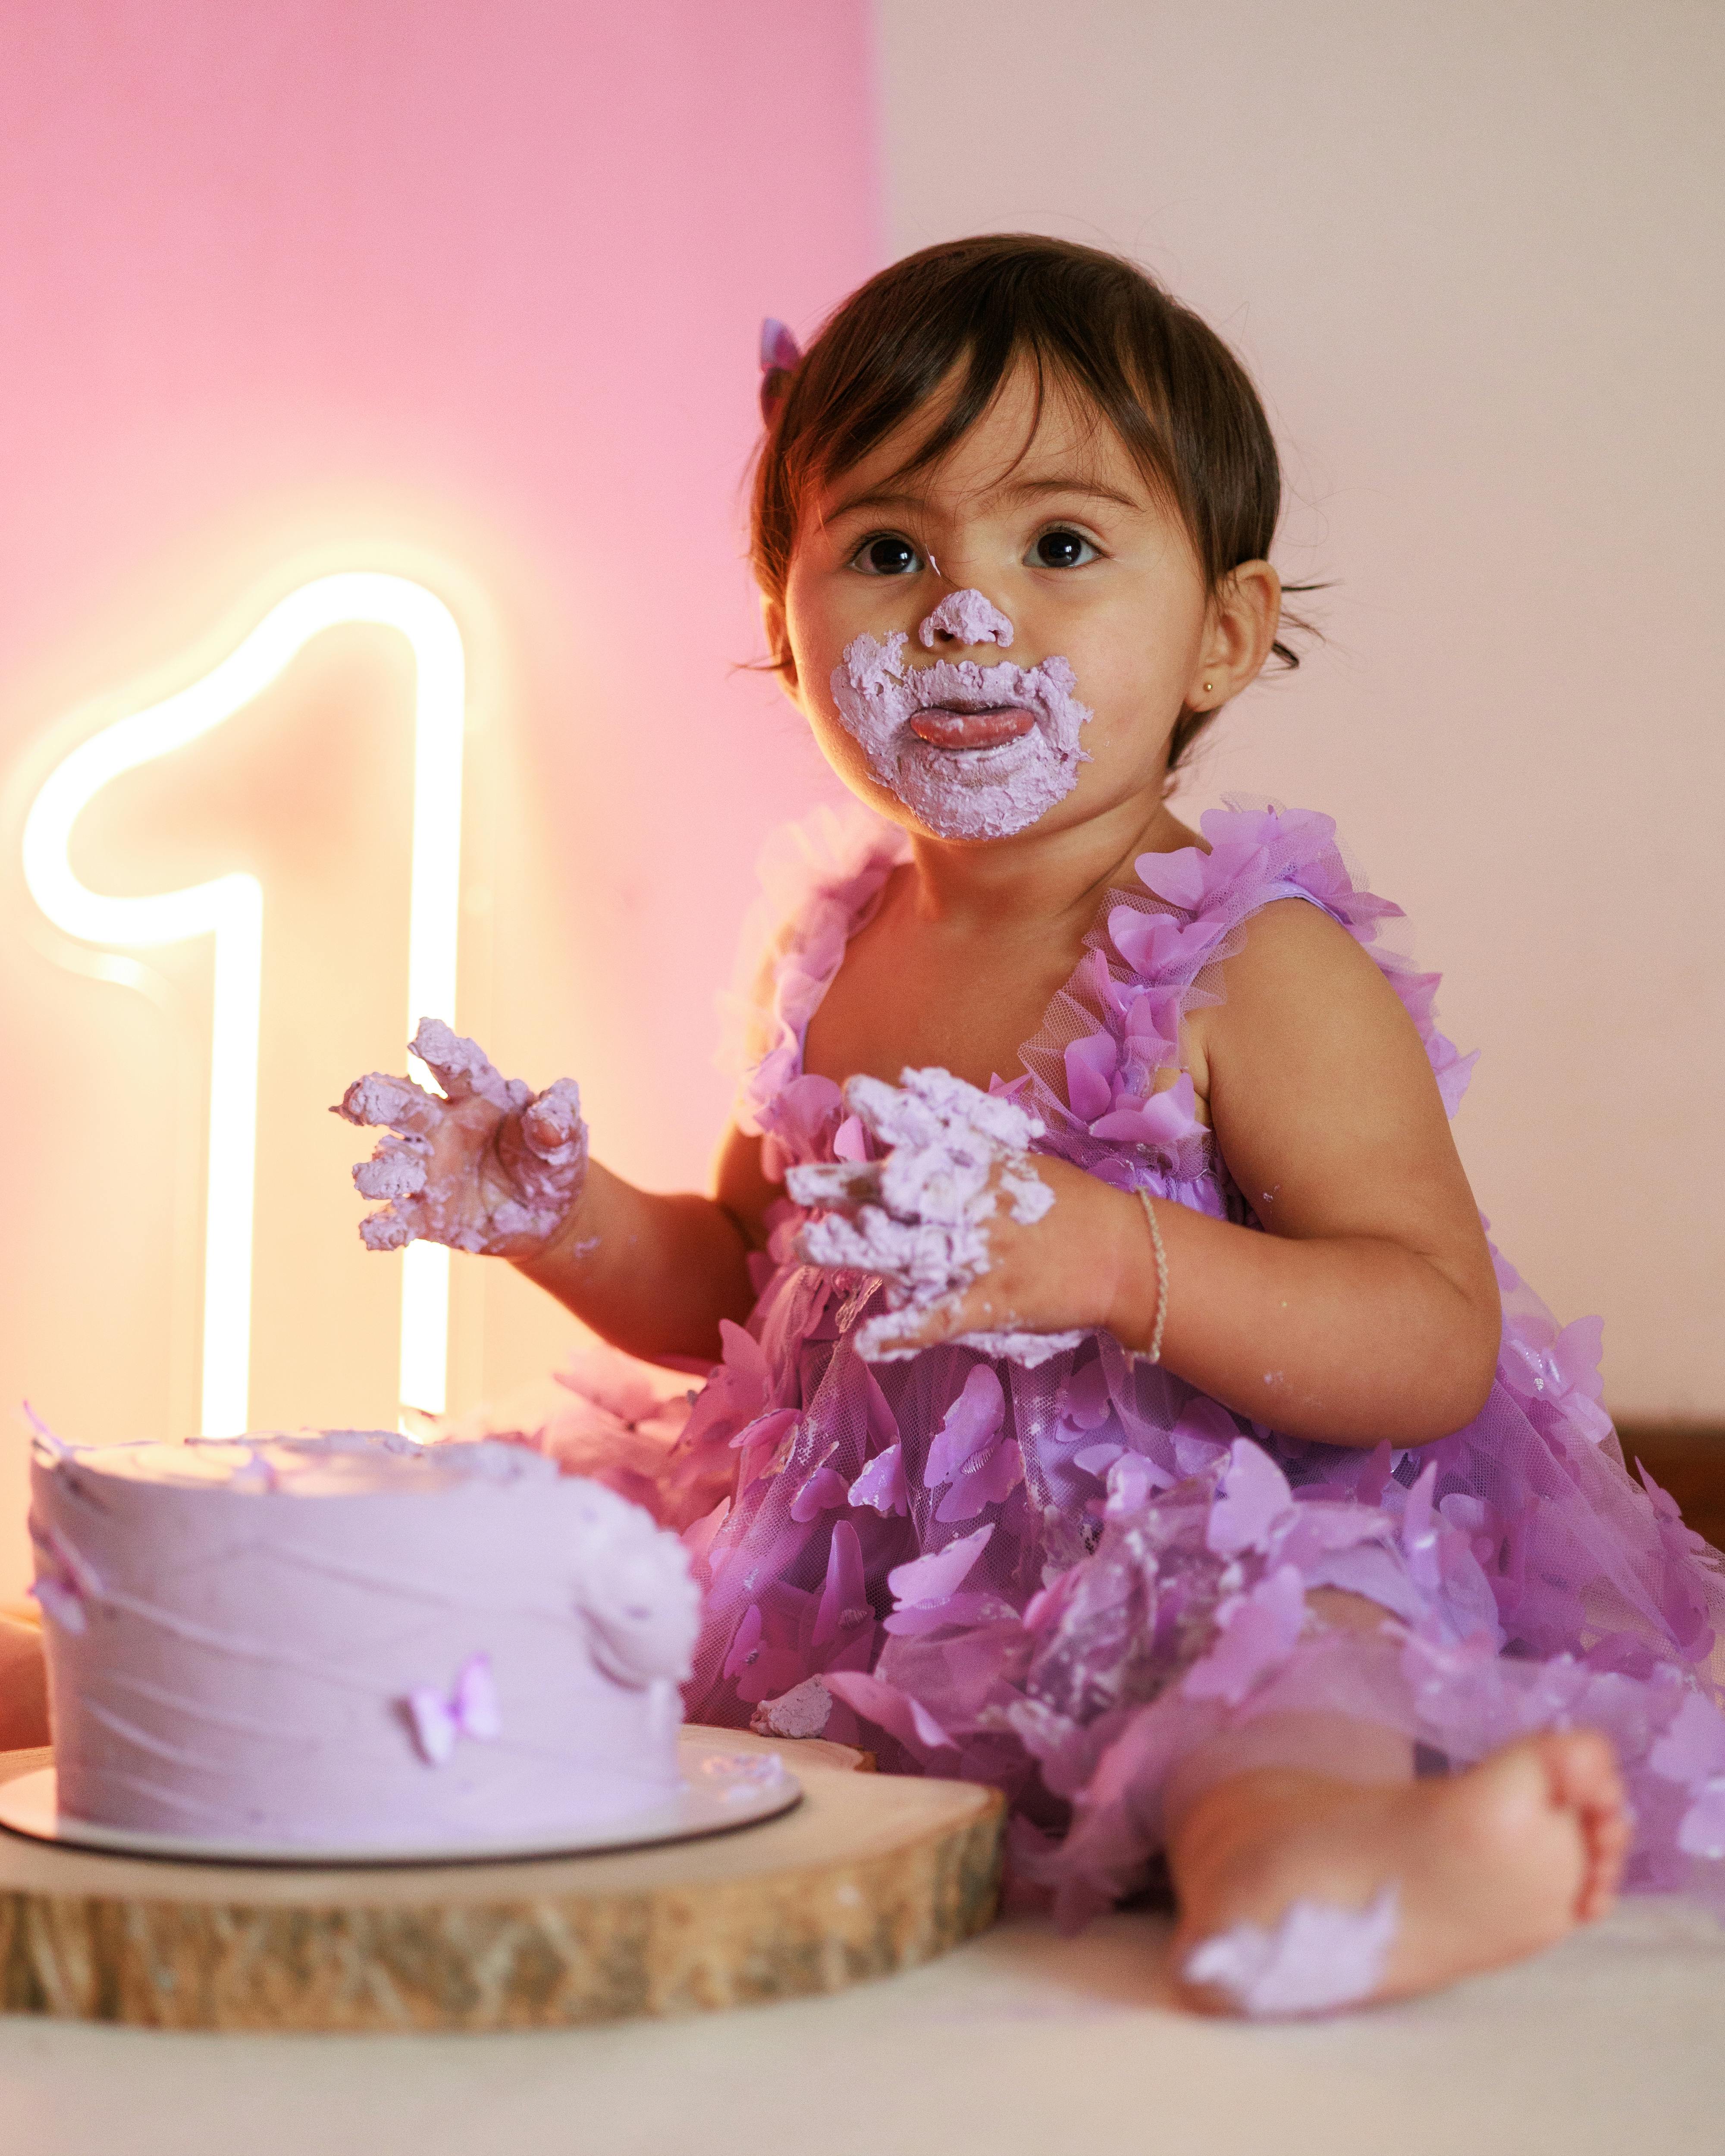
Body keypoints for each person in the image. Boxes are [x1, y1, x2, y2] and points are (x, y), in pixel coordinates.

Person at [66, 234, 1725, 2017]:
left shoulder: (1251, 961)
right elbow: (740, 1284)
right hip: (856, 1576)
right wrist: (561, 1213)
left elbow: (1427, 1335)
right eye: (884, 550)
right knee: (566, 1637)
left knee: (1274, 1667)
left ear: (1223, 633)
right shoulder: (832, 939)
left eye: (1060, 545)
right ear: (785, 632)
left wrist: (1105, 1249)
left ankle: (1318, 1866)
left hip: (1170, 1542)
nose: (963, 609)